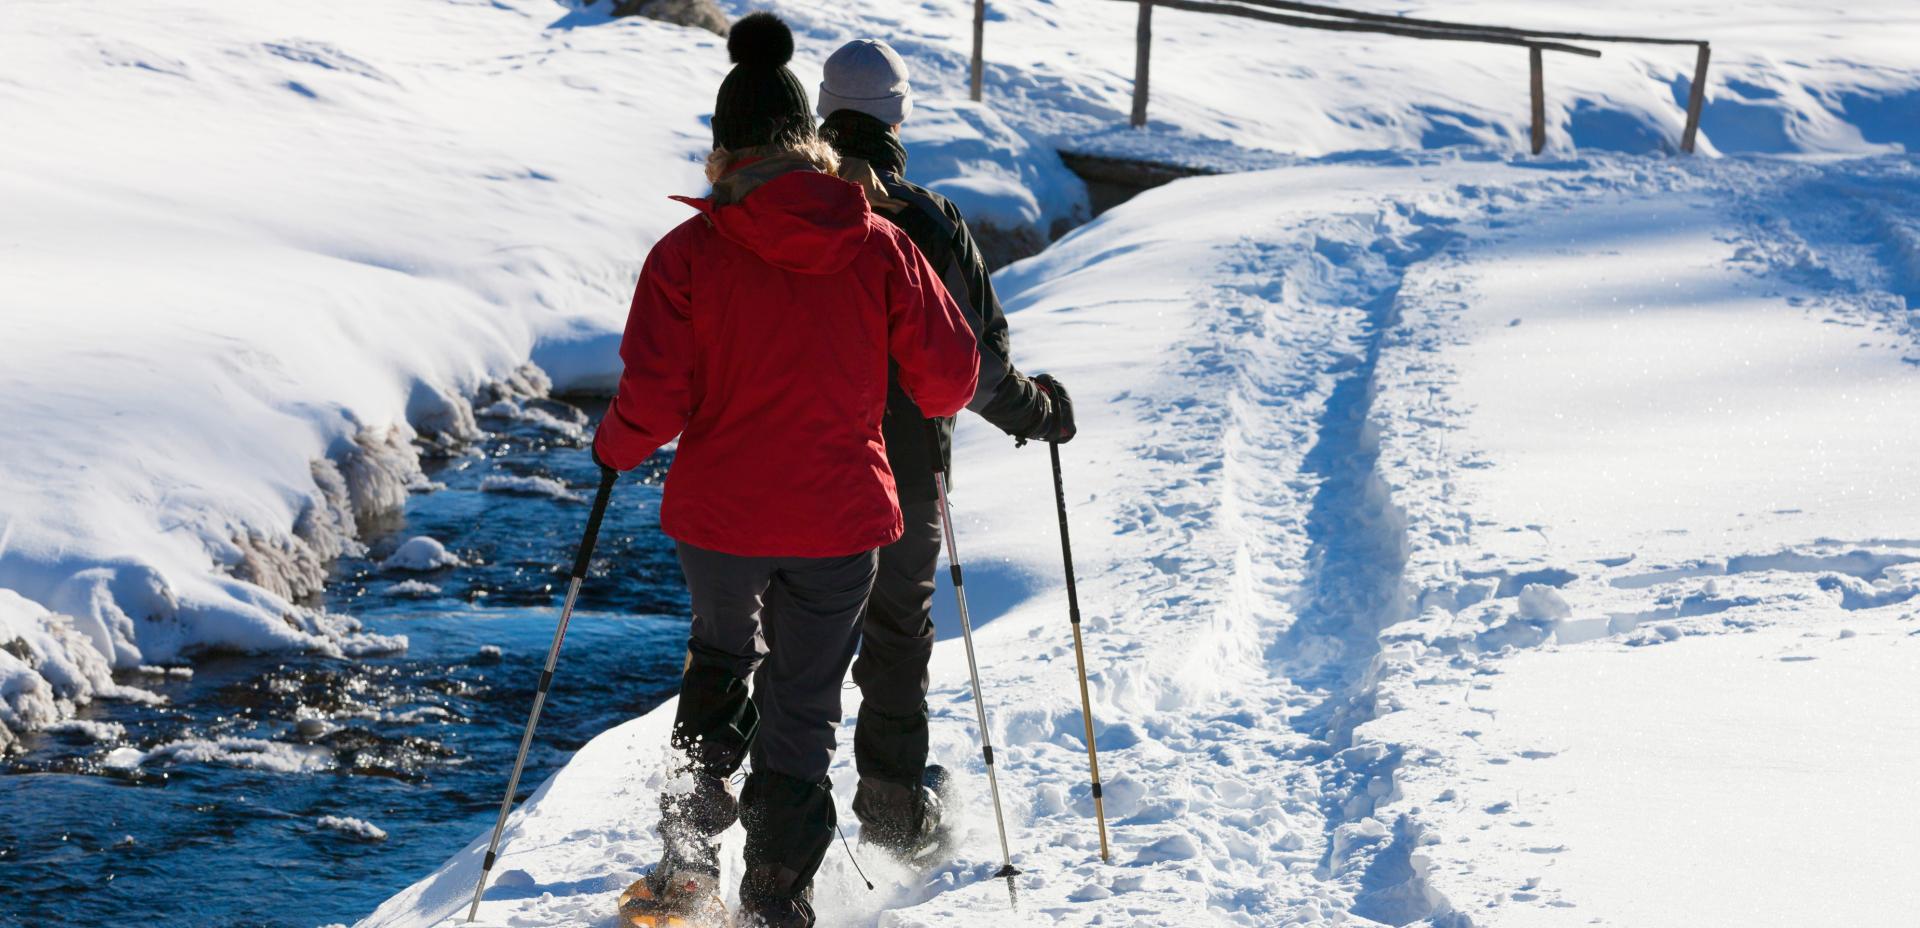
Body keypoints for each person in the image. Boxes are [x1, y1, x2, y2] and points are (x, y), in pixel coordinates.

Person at [590, 14, 981, 927]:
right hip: (840, 520)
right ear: (808, 139)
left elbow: (652, 401)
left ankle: (687, 872)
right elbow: (951, 377)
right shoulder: (882, 244)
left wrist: (611, 450)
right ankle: (777, 899)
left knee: (719, 668)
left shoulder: (686, 255)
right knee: (802, 708)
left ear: (722, 150)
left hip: (721, 521)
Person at [815, 39, 1077, 860]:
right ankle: (893, 810)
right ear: (900, 116)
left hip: (794, 464)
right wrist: (1038, 414)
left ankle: (776, 820)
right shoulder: (928, 220)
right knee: (895, 634)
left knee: (792, 645)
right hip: (905, 470)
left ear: (825, 111)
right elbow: (975, 361)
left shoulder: (782, 208)